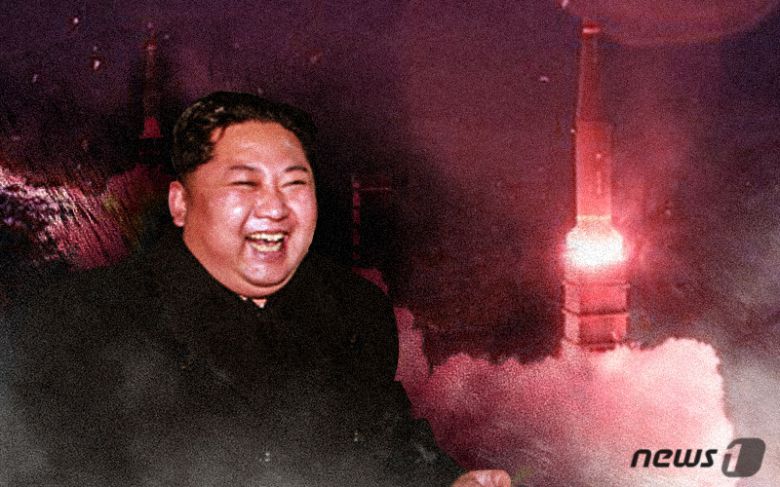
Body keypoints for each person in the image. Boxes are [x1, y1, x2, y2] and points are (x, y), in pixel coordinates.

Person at [6, 92, 510, 486]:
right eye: (245, 184)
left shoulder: (354, 310)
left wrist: (450, 481)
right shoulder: (77, 322)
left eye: (295, 183)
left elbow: (386, 445)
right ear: (180, 203)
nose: (275, 208)